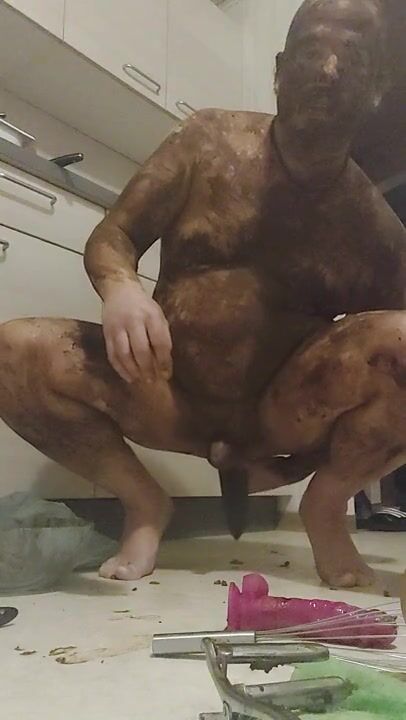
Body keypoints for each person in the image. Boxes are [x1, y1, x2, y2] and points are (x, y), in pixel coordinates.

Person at [0, 0, 405, 587]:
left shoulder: (372, 226)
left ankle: (325, 513)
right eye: (311, 51)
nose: (329, 70)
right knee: (13, 350)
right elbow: (115, 236)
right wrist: (122, 288)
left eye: (354, 57)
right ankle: (144, 503)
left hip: (280, 415)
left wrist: (314, 471)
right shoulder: (207, 139)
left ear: (377, 88)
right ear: (279, 69)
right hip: (165, 391)